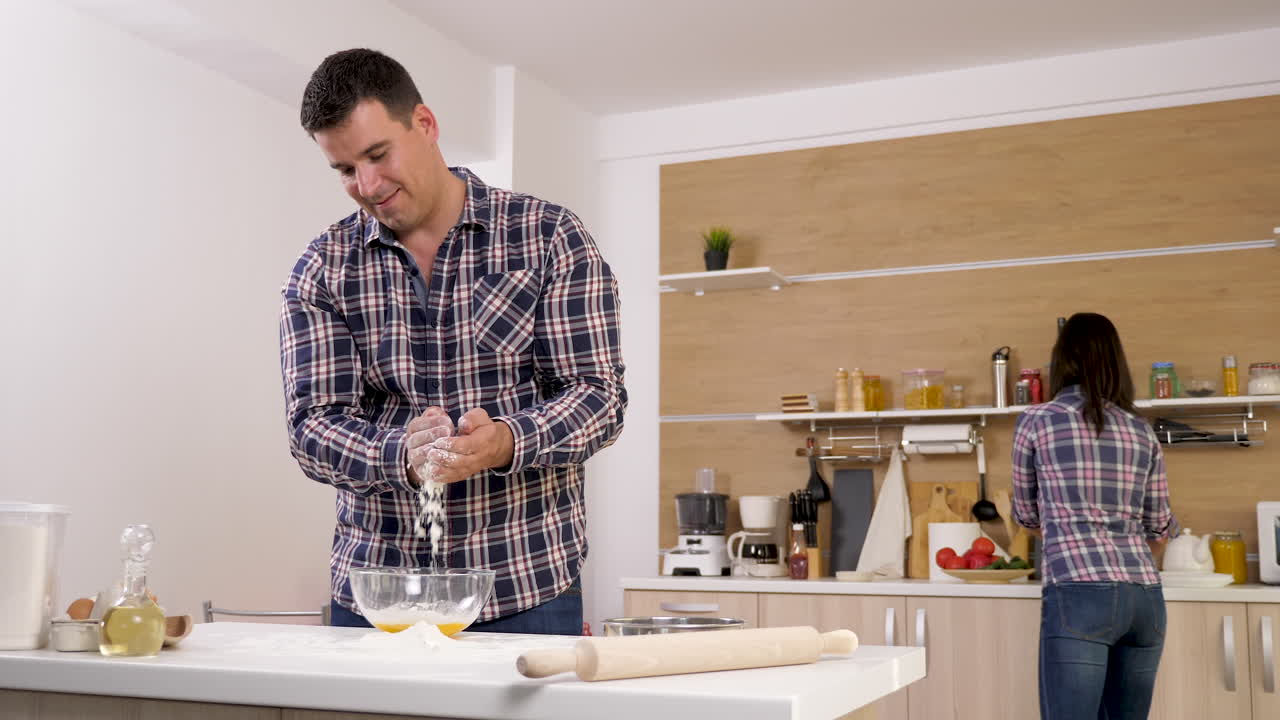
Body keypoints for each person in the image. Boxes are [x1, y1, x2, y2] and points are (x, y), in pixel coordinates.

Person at [279, 48, 627, 635]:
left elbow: (599, 397)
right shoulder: (322, 268)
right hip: (377, 597)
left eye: (377, 155)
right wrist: (401, 455)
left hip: (525, 590)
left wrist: (506, 441)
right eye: (344, 169)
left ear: (425, 123)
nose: (366, 185)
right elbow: (312, 427)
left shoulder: (549, 238)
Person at [1010, 312, 1178, 719]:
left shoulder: (1036, 421)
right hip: (1144, 598)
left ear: (1061, 359)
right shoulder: (1140, 429)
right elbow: (1159, 525)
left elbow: (1027, 515)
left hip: (1078, 593)